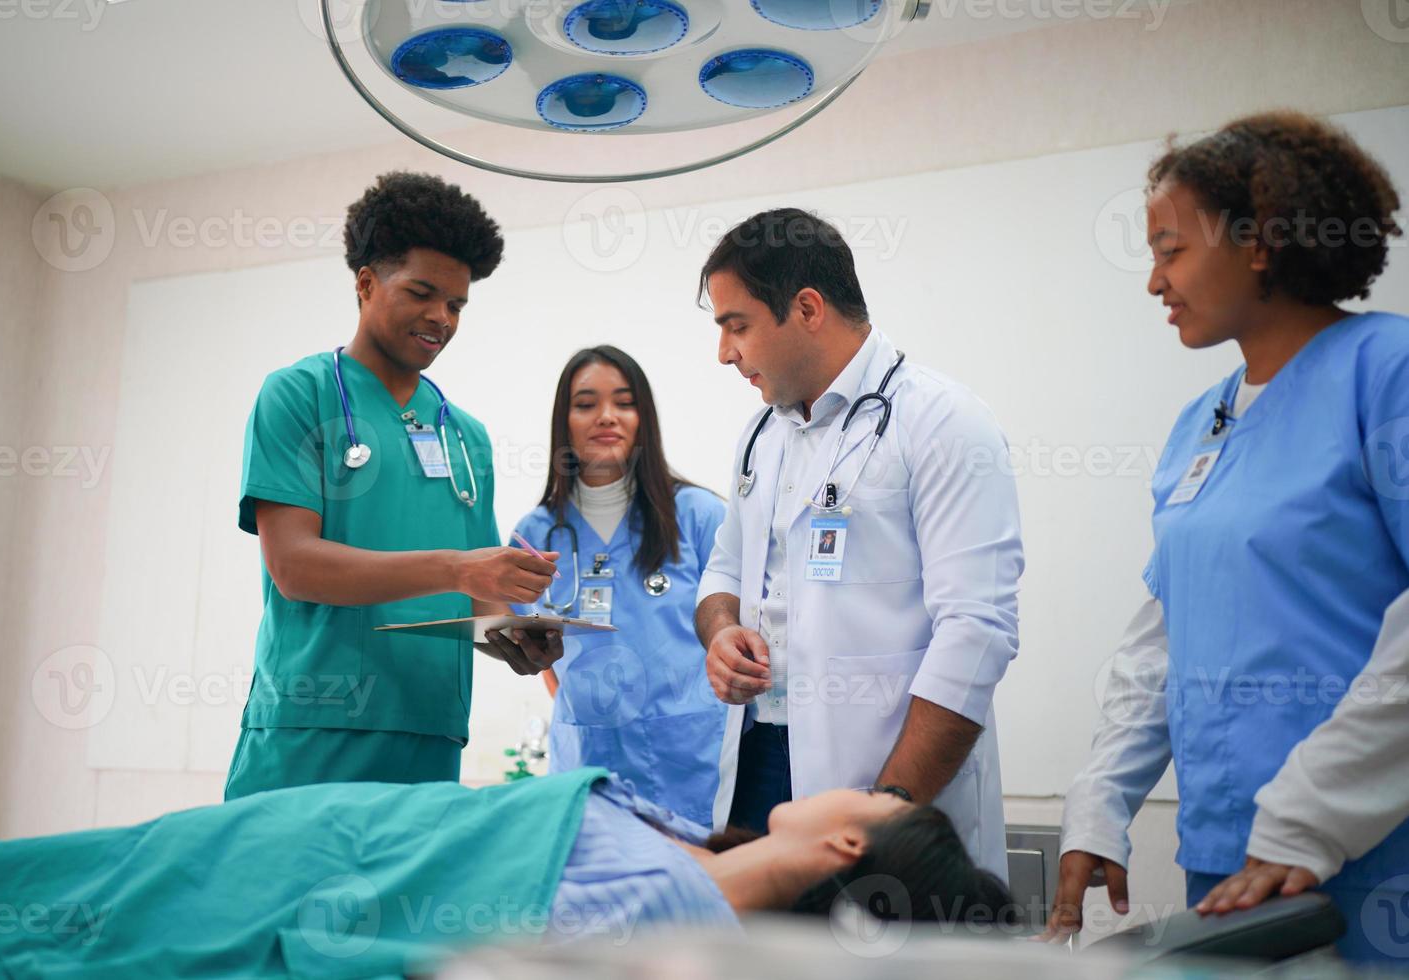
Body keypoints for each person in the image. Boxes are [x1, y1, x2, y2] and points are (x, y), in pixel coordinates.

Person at [1047, 111, 1408, 964]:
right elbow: (1166, 633)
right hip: (1229, 854)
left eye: (1170, 251)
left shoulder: (1384, 373)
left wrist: (1310, 819)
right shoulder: (1198, 425)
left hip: (1369, 850)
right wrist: (1099, 805)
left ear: (1259, 242)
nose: (1153, 282)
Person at [0, 771, 1016, 977]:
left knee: (31, 922)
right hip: (288, 832)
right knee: (51, 875)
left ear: (846, 850)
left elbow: (411, 954)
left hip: (275, 886)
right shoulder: (688, 854)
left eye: (872, 800)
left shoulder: (663, 916)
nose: (854, 785)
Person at [695, 208, 1025, 881]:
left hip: (893, 789)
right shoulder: (763, 434)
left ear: (807, 308)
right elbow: (724, 569)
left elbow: (977, 631)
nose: (725, 353)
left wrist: (887, 815)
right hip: (762, 772)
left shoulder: (941, 421)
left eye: (738, 326)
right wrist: (722, 631)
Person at [224, 172, 563, 801]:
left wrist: (513, 635)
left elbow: (475, 602)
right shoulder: (299, 396)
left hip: (431, 734)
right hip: (314, 730)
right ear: (366, 283)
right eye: (422, 292)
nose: (441, 317)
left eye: (457, 304)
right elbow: (295, 566)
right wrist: (461, 569)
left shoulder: (467, 437)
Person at [509, 346, 729, 827]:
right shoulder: (537, 535)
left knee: (698, 897)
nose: (606, 417)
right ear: (563, 420)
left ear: (642, 417)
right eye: (586, 404)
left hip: (690, 761)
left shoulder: (699, 516)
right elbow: (534, 648)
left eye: (624, 402)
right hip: (587, 760)